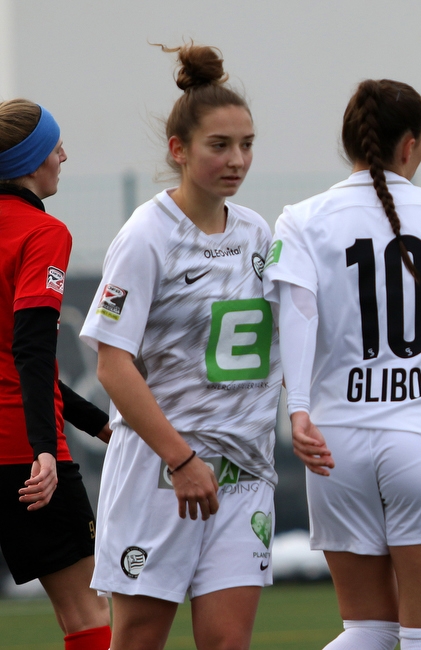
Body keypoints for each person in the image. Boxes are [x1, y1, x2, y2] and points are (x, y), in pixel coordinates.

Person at [262, 78, 421, 650]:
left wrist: (299, 410)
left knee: (369, 631)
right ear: (410, 145)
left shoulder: (301, 218)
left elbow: (296, 316)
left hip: (336, 444)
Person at [79, 43, 281, 650]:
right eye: (219, 145)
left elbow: (314, 301)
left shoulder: (256, 231)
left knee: (227, 643)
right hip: (163, 477)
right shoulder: (145, 236)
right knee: (138, 642)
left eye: (246, 144)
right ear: (179, 150)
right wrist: (180, 458)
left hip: (243, 476)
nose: (237, 159)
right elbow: (113, 367)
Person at [0, 98, 113, 650]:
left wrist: (96, 423)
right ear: (30, 161)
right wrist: (46, 447)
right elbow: (31, 351)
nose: (63, 156)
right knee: (88, 609)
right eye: (54, 147)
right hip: (22, 450)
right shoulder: (43, 233)